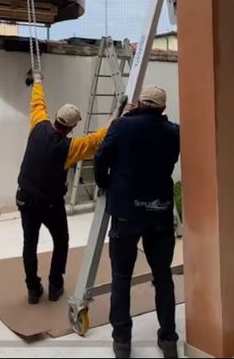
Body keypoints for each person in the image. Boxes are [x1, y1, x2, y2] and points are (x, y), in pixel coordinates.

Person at [95, 86, 180, 359]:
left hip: (126, 211)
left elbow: (101, 157)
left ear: (140, 104)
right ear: (163, 109)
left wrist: (105, 185)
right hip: (160, 211)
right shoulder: (174, 132)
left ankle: (122, 340)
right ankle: (168, 339)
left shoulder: (122, 126)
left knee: (121, 277)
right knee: (163, 276)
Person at [17, 70, 113, 305]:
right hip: (50, 204)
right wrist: (116, 116)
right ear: (71, 128)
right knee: (61, 241)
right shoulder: (69, 147)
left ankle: (33, 289)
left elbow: (37, 101)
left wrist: (38, 80)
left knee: (29, 244)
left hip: (25, 199)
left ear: (56, 118)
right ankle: (55, 285)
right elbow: (98, 139)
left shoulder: (38, 124)